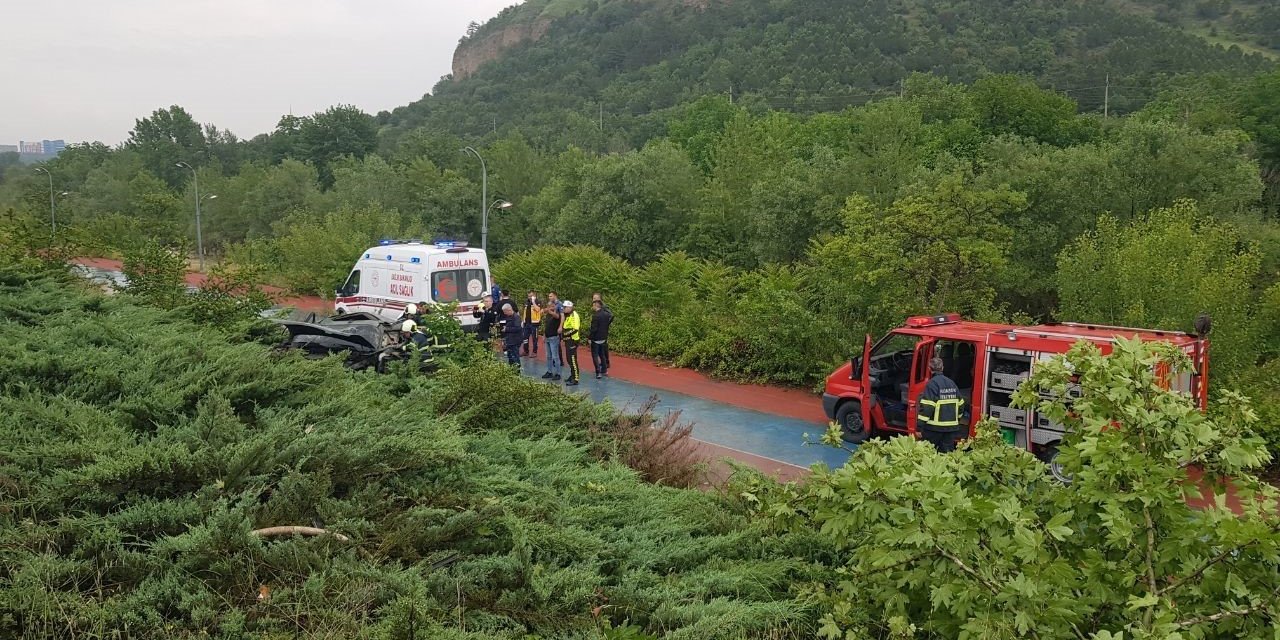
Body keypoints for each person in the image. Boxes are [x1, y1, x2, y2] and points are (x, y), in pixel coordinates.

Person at [918, 356, 966, 453]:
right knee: (947, 455)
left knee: (928, 453)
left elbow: (927, 407)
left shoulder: (932, 384)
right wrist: (957, 419)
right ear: (942, 368)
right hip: (951, 428)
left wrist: (919, 427)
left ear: (929, 369)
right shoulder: (952, 383)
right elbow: (961, 404)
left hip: (933, 428)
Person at [588, 298, 613, 379]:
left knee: (595, 355)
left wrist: (590, 338)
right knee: (602, 354)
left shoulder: (595, 316)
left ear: (596, 305)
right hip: (603, 338)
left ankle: (598, 372)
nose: (592, 307)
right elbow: (611, 316)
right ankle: (604, 370)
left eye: (593, 305)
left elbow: (594, 329)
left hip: (596, 339)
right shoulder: (606, 314)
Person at [541, 296, 563, 380]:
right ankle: (549, 371)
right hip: (547, 337)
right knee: (548, 356)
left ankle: (558, 373)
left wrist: (550, 311)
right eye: (550, 306)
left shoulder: (556, 315)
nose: (551, 308)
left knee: (555, 356)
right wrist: (544, 335)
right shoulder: (547, 316)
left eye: (553, 306)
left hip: (554, 337)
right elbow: (547, 326)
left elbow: (557, 316)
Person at [561, 300, 582, 386]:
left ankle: (575, 378)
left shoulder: (574, 315)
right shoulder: (568, 315)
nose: (563, 309)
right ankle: (572, 375)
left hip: (572, 340)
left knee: (573, 359)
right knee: (569, 359)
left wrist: (565, 334)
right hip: (568, 340)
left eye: (565, 307)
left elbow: (575, 329)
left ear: (569, 307)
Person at [501, 303, 523, 367]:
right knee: (510, 357)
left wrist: (507, 329)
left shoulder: (516, 317)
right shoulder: (508, 317)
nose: (505, 313)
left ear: (509, 310)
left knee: (515, 357)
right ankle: (512, 371)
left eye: (505, 312)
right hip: (509, 340)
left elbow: (517, 328)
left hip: (515, 340)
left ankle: (517, 372)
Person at [521, 290, 542, 357]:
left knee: (534, 338)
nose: (529, 297)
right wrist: (523, 321)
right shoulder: (526, 302)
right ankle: (526, 351)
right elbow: (524, 312)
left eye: (531, 296)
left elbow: (538, 309)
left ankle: (534, 352)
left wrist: (533, 302)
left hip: (534, 324)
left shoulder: (537, 302)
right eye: (529, 296)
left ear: (534, 296)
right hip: (526, 323)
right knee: (525, 338)